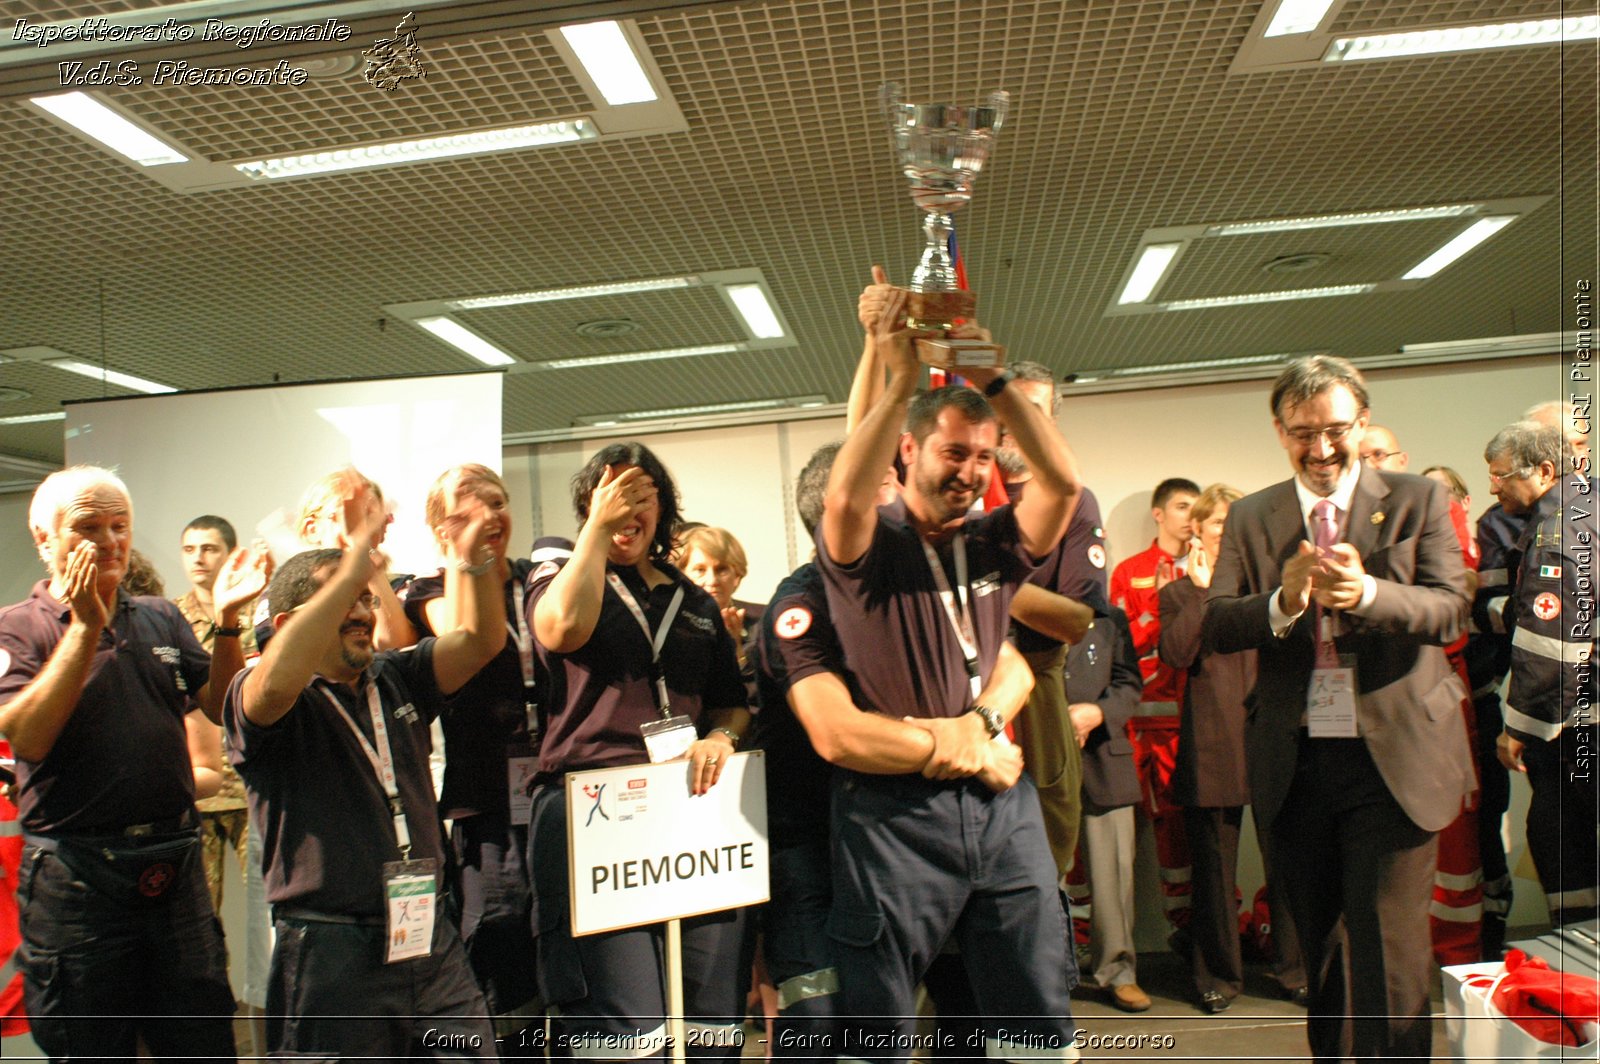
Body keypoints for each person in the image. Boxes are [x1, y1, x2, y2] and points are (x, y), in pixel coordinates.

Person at [817, 289, 1082, 1061]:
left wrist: (992, 378)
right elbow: (843, 490)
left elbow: (1061, 486)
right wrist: (899, 376)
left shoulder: (995, 542)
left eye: (980, 456)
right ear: (909, 451)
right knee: (885, 1024)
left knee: (1032, 1009)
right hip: (894, 817)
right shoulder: (866, 549)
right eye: (951, 452)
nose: (969, 471)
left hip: (1000, 803)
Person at [1205, 355, 1474, 1061]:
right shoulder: (1251, 514)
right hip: (1296, 761)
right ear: (1278, 429)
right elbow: (1216, 625)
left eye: (1336, 430)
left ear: (1361, 421)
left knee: (1388, 945)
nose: (1320, 450)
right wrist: (1283, 602)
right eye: (1302, 433)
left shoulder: (1417, 499)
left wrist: (1369, 597)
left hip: (1394, 760)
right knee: (1314, 946)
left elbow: (1451, 610)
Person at [753, 440, 1029, 1052]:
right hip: (819, 851)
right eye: (892, 483)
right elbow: (840, 733)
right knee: (831, 1030)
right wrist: (967, 745)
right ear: (844, 506)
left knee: (970, 1016)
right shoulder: (800, 602)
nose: (913, 493)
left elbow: (1014, 670)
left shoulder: (918, 587)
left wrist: (977, 725)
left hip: (917, 837)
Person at [224, 483, 505, 1058]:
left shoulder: (395, 676)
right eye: (343, 598)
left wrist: (473, 562)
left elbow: (480, 640)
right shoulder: (265, 698)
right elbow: (275, 681)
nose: (361, 610)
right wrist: (355, 559)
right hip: (331, 947)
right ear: (286, 623)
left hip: (427, 934)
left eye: (365, 598)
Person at [0, 465, 268, 1059]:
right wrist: (85, 630)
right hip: (77, 876)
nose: (109, 542)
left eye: (120, 526)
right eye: (88, 527)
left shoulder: (160, 616)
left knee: (199, 1039)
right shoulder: (18, 630)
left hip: (173, 865)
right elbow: (27, 737)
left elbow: (222, 706)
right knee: (92, 1045)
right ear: (46, 540)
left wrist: (226, 623)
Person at [527, 442, 750, 1058]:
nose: (629, 504)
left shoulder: (694, 599)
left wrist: (720, 737)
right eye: (614, 491)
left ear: (663, 509)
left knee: (712, 1019)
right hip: (594, 808)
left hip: (690, 808)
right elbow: (561, 629)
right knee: (625, 1029)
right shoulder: (558, 570)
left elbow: (731, 701)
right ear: (589, 501)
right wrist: (596, 533)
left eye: (643, 494)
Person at [401, 464, 543, 1044]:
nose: (490, 516)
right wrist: (467, 557)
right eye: (467, 510)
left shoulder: (542, 579)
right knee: (503, 938)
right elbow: (464, 639)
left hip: (559, 788)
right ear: (440, 531)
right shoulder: (428, 591)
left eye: (498, 502)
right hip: (485, 801)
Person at [1159, 484, 1306, 1012]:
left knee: (1287, 864)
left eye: (1230, 521)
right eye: (1214, 521)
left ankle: (1296, 971)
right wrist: (1200, 592)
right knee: (1214, 873)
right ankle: (1218, 976)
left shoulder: (1269, 589)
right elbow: (1174, 655)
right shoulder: (1178, 593)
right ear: (1196, 530)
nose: (1223, 530)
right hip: (1213, 747)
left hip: (1271, 738)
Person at [1361, 434, 1485, 964]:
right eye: (1361, 455)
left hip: (1432, 693)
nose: (1369, 465)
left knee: (1450, 835)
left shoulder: (1431, 505)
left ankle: (1457, 956)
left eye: (1378, 454)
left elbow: (1456, 596)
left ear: (1401, 459)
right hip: (1362, 704)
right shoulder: (1327, 519)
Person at [1484, 420, 1598, 926]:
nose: (1493, 487)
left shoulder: (1556, 528)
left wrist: (1518, 729)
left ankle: (1580, 970)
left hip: (1578, 720)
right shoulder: (1588, 505)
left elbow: (1549, 640)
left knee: (1560, 840)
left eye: (1501, 475)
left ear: (1545, 471)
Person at [992, 360, 1099, 878]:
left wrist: (979, 577)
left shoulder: (1074, 502)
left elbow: (1076, 621)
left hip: (1037, 683)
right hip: (950, 690)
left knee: (1047, 852)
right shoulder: (958, 489)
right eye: (1004, 407)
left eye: (1031, 412)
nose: (1014, 421)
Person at [1110, 476, 1200, 941]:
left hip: (1188, 726)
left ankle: (1186, 935)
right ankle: (1096, 943)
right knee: (1115, 838)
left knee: (1181, 835)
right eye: (1183, 506)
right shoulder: (1129, 571)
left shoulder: (1209, 569)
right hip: (1134, 725)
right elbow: (1120, 643)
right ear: (1159, 513)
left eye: (1197, 508)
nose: (1192, 516)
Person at [175, 515, 260, 913]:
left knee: (269, 909)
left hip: (252, 782)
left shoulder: (258, 614)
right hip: (199, 786)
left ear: (229, 554)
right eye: (190, 549)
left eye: (209, 549)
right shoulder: (169, 619)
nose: (198, 559)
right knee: (199, 916)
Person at [1064, 601, 1146, 1013]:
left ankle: (1118, 971)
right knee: (1035, 876)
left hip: (1103, 755)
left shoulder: (1109, 617)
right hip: (1037, 756)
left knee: (1113, 872)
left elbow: (1129, 681)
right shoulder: (1018, 607)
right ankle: (1046, 973)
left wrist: (1096, 713)